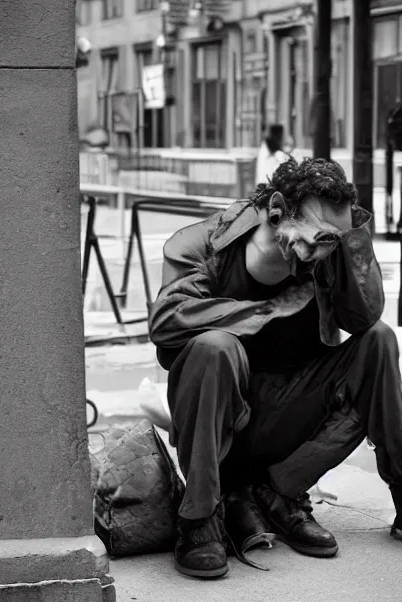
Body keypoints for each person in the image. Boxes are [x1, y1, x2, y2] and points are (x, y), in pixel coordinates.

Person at [148, 157, 402, 579]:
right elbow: (167, 320)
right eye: (309, 239)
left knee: (379, 340)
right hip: (223, 423)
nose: (313, 253)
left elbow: (365, 317)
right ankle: (199, 519)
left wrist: (351, 238)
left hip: (292, 416)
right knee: (214, 346)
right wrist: (267, 309)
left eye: (326, 242)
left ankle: (280, 493)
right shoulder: (203, 244)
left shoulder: (326, 251)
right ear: (278, 209)